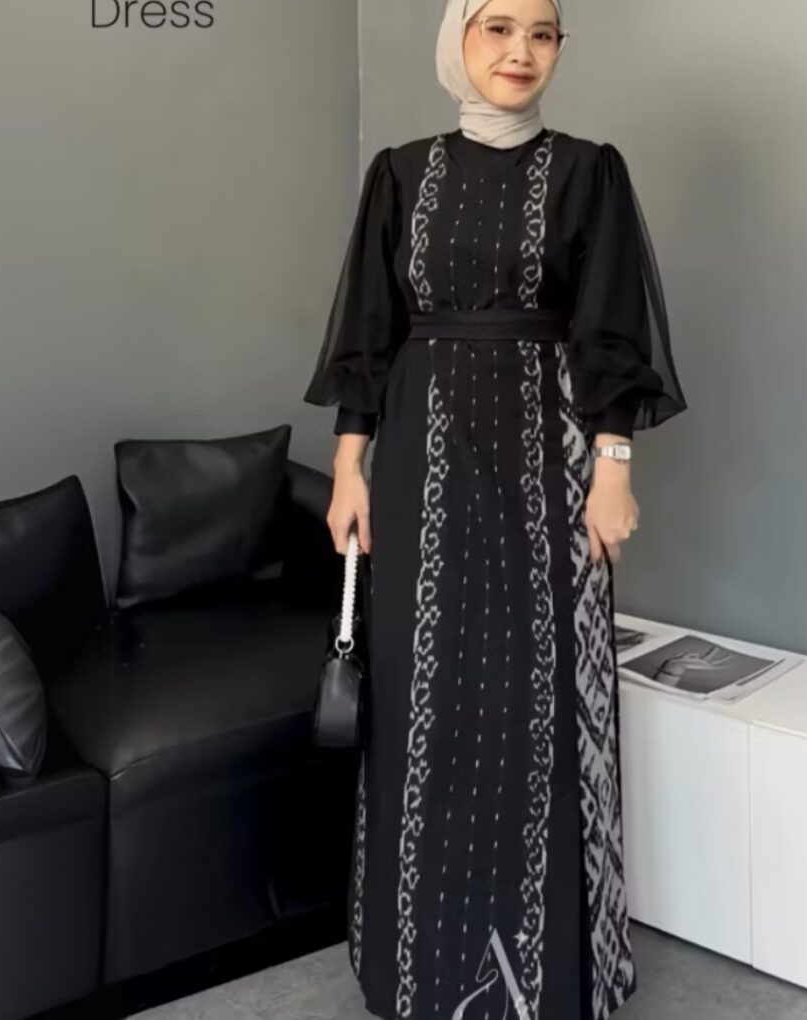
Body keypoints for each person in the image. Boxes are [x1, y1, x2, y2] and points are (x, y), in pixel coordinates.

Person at [303, 1, 687, 1017]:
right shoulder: (399, 173)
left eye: (542, 33)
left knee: (541, 689)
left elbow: (610, 327)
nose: (521, 51)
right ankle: (423, 970)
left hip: (546, 458)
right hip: (418, 461)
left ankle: (548, 973)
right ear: (459, 39)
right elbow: (370, 333)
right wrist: (348, 467)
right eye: (498, 27)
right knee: (421, 694)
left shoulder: (589, 171)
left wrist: (612, 465)